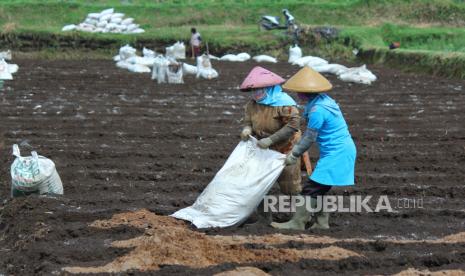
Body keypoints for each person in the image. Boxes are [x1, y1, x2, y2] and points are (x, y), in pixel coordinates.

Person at [271, 67, 357, 230]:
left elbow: (310, 137)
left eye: (299, 91)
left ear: (304, 93)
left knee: (311, 188)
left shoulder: (319, 110)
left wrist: (294, 154)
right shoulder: (323, 100)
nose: (297, 94)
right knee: (320, 187)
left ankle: (298, 222)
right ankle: (321, 223)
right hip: (338, 151)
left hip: (337, 153)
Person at [239, 66, 302, 223]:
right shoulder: (252, 105)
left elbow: (292, 126)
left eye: (259, 90)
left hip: (285, 148)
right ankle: (264, 218)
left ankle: (301, 217)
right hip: (262, 149)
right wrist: (247, 129)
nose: (255, 94)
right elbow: (248, 121)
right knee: (258, 185)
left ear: (269, 88)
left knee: (290, 186)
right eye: (253, 91)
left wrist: (271, 140)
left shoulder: (285, 104)